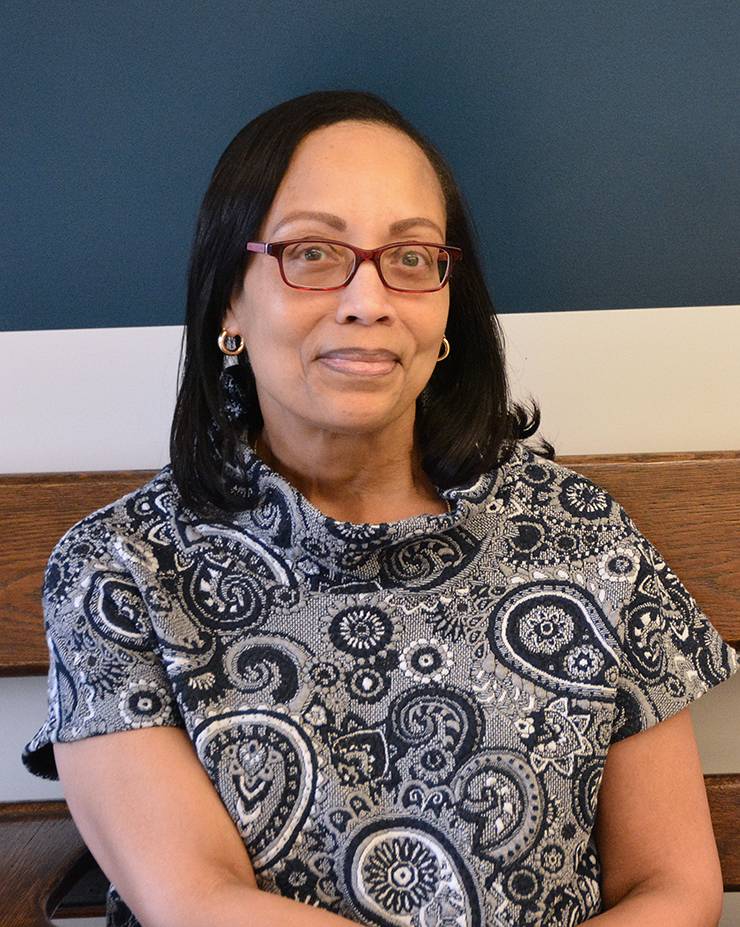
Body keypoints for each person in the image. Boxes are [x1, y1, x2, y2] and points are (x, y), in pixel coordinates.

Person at [23, 90, 737, 927]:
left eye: (409, 257)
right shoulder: (119, 571)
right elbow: (197, 902)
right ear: (228, 303)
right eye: (315, 254)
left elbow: (672, 883)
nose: (368, 299)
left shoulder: (580, 532)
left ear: (443, 310)